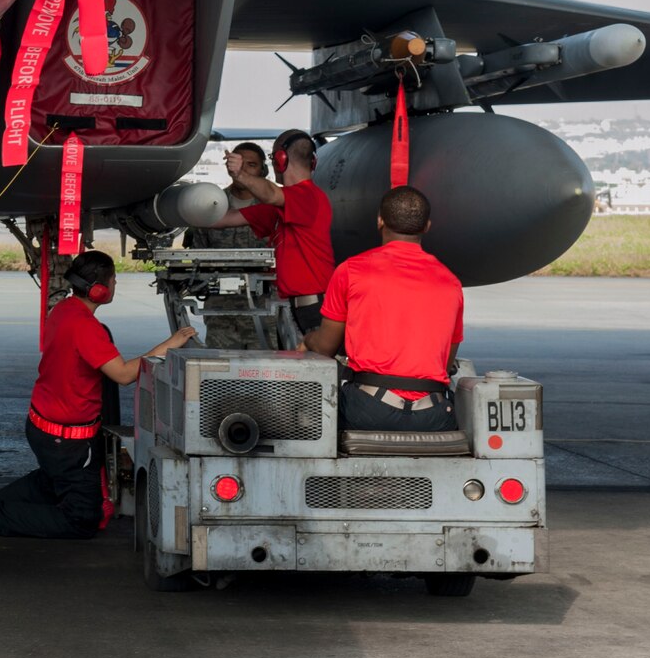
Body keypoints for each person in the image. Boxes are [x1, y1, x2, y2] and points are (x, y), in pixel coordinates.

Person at [0, 251, 197, 539]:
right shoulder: (86, 327)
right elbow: (124, 375)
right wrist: (170, 343)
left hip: (45, 428)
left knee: (55, 480)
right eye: (114, 280)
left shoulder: (63, 310)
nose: (116, 284)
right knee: (81, 519)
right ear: (100, 289)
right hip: (66, 441)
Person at [303, 185, 463, 433]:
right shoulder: (451, 282)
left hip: (368, 410)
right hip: (432, 414)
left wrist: (307, 340)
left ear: (380, 221)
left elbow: (325, 347)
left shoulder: (351, 270)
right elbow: (446, 361)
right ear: (427, 226)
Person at [209, 128, 335, 339]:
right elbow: (227, 218)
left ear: (280, 159)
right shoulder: (283, 207)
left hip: (315, 308)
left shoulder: (307, 197)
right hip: (300, 307)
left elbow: (270, 193)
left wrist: (241, 174)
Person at [185, 141, 272, 349]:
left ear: (263, 170)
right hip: (221, 310)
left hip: (264, 308)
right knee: (221, 370)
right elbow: (199, 252)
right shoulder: (211, 205)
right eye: (239, 163)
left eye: (251, 165)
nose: (243, 169)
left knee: (266, 371)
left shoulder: (271, 206)